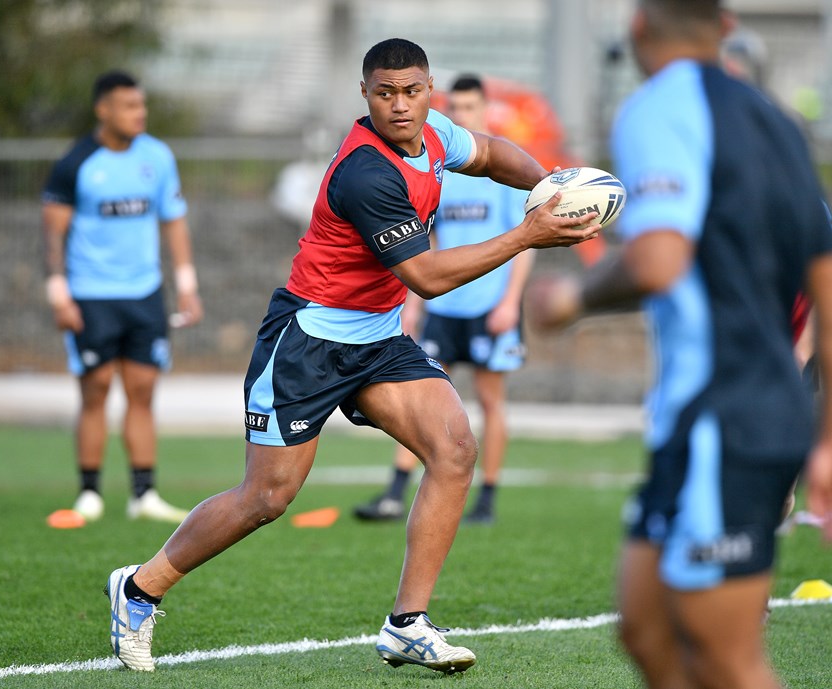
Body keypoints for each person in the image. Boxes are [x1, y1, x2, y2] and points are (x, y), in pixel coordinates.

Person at [104, 38, 601, 675]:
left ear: (430, 91)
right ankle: (140, 588)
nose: (400, 105)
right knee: (267, 497)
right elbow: (425, 275)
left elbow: (493, 153)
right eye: (385, 93)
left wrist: (552, 186)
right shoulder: (367, 173)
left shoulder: (437, 133)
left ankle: (408, 625)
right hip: (307, 343)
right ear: (364, 95)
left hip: (378, 339)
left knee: (453, 450)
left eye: (413, 91)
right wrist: (530, 233)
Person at [526, 2, 832, 688]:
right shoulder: (778, 122)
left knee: (728, 657)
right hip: (730, 415)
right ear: (725, 27)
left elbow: (660, 260)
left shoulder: (654, 110)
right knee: (648, 628)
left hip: (726, 415)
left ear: (637, 29)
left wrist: (573, 298)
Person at [354, 74, 532, 525]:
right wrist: (414, 303)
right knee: (423, 398)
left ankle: (488, 497)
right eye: (458, 108)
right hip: (443, 303)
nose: (463, 116)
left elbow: (527, 242)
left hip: (490, 304)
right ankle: (396, 490)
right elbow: (425, 239)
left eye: (472, 108)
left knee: (490, 400)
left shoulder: (501, 171)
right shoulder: (441, 168)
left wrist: (510, 302)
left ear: (485, 110)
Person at [42, 71, 203, 524]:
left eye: (142, 105)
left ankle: (143, 494)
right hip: (90, 295)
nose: (140, 114)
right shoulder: (77, 162)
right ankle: (90, 492)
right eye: (130, 106)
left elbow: (173, 220)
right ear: (104, 111)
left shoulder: (157, 156)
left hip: (145, 293)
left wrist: (186, 283)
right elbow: (52, 234)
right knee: (94, 390)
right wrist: (59, 294)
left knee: (144, 390)